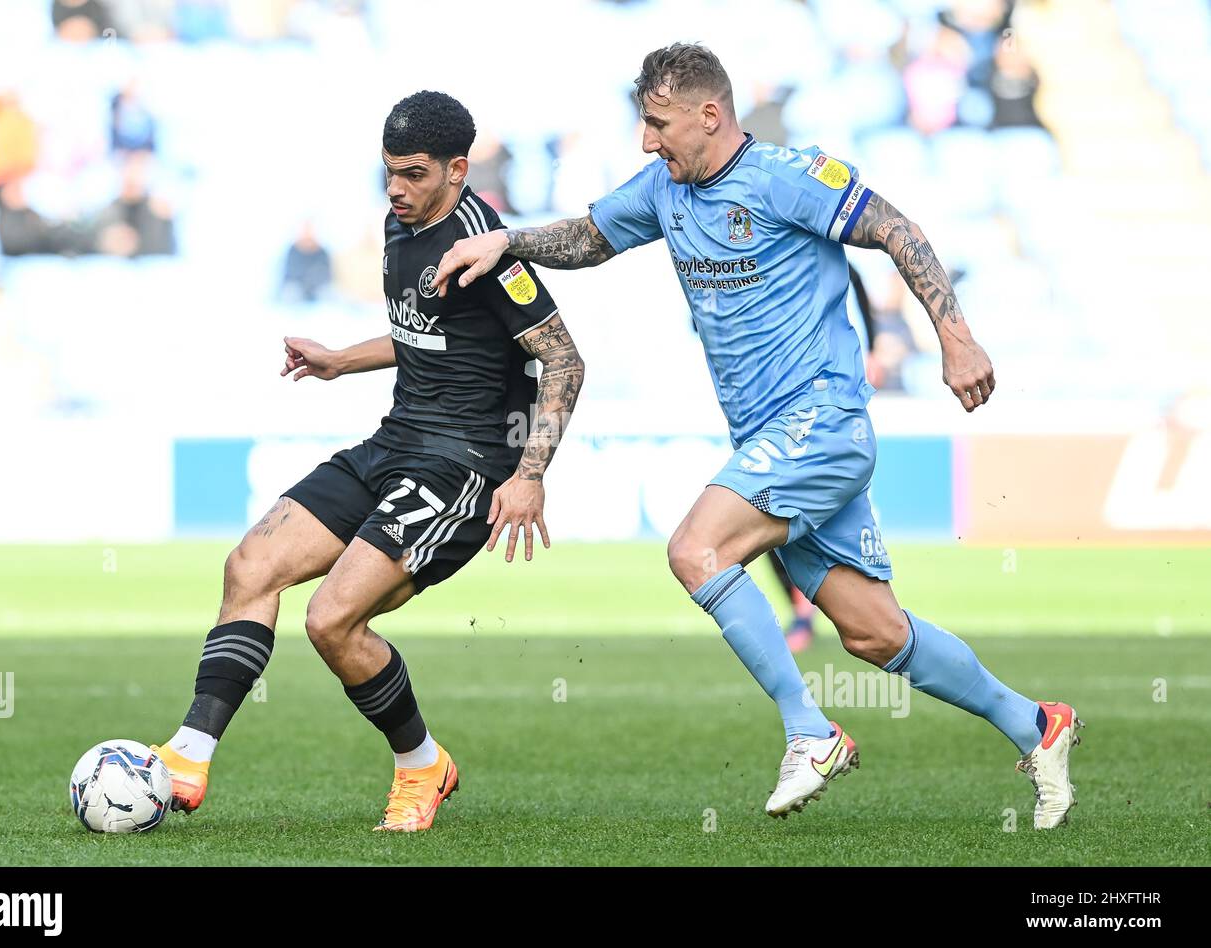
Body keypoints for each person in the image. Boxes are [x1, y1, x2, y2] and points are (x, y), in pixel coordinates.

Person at [433, 43, 1080, 830]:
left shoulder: (787, 176)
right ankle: (1036, 725)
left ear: (710, 116)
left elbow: (897, 230)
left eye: (657, 124)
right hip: (769, 440)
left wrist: (956, 336)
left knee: (693, 550)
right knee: (875, 635)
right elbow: (591, 238)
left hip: (822, 422)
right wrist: (509, 241)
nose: (647, 141)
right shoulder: (665, 190)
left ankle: (810, 730)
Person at [151, 91, 585, 833]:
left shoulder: (486, 247)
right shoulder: (399, 223)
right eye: (388, 172)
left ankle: (422, 766)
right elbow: (422, 335)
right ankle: (188, 753)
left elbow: (564, 360)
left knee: (331, 621)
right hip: (392, 443)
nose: (396, 189)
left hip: (464, 467)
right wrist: (338, 360)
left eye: (413, 175)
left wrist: (529, 475)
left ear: (457, 169)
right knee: (249, 567)